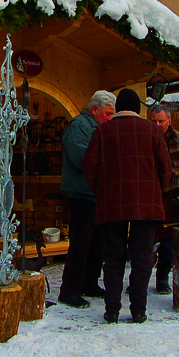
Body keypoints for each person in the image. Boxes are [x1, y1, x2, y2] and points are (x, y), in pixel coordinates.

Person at [83, 88, 173, 324]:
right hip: (146, 204)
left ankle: (112, 310)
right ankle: (138, 310)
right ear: (138, 109)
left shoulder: (102, 131)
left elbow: (89, 168)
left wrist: (101, 191)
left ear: (119, 106)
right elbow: (166, 168)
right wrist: (155, 191)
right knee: (142, 258)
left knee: (113, 258)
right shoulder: (153, 131)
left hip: (112, 203)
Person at [57, 90, 116, 308]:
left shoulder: (99, 127)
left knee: (97, 244)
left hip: (96, 194)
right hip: (81, 193)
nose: (110, 118)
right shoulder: (78, 126)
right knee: (80, 244)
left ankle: (89, 283)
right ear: (94, 110)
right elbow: (81, 157)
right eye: (108, 113)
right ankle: (69, 290)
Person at [147, 105, 179, 294]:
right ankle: (139, 280)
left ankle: (162, 280)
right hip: (150, 196)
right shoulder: (145, 139)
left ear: (169, 121)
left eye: (161, 121)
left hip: (173, 197)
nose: (157, 124)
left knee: (168, 242)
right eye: (154, 121)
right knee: (145, 240)